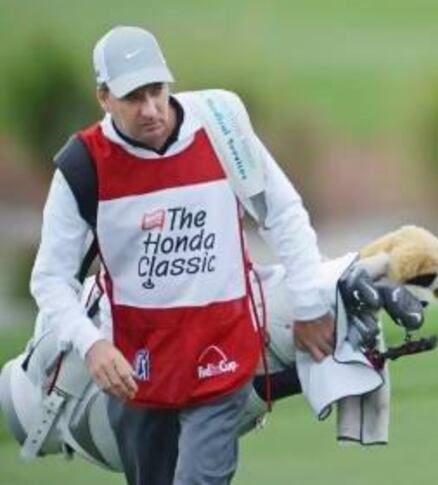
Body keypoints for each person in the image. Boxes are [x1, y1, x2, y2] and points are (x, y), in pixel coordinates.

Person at [30, 25, 334, 484]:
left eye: (157, 91)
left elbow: (283, 213)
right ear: (104, 98)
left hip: (223, 353)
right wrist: (92, 345)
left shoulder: (220, 124)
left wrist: (310, 304)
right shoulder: (82, 165)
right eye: (134, 98)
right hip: (135, 372)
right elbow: (50, 278)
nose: (152, 110)